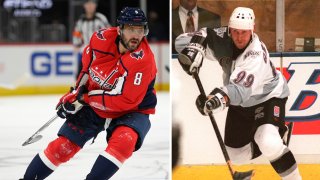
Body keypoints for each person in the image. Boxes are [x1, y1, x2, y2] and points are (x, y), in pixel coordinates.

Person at [21, 7, 157, 180]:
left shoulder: (143, 60)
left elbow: (125, 100)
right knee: (63, 146)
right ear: (119, 28)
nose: (137, 35)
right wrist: (76, 94)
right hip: (95, 102)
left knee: (125, 141)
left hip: (133, 109)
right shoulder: (100, 39)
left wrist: (85, 99)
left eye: (141, 30)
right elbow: (87, 70)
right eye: (131, 29)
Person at [175, 7, 302, 180]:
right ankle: (275, 137)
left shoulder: (255, 55)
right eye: (235, 32)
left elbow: (239, 91)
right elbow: (184, 41)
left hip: (267, 97)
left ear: (252, 30)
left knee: (267, 141)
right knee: (235, 155)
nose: (240, 37)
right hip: (240, 103)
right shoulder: (222, 38)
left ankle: (280, 144)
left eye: (244, 32)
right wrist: (195, 48)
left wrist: (213, 101)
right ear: (229, 29)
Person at [73, 0, 111, 78]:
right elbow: (77, 34)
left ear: (95, 6)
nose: (90, 6)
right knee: (80, 75)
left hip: (100, 52)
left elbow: (109, 33)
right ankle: (79, 89)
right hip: (85, 50)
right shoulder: (81, 21)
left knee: (101, 74)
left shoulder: (101, 18)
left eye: (92, 4)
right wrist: (77, 44)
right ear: (84, 6)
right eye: (88, 4)